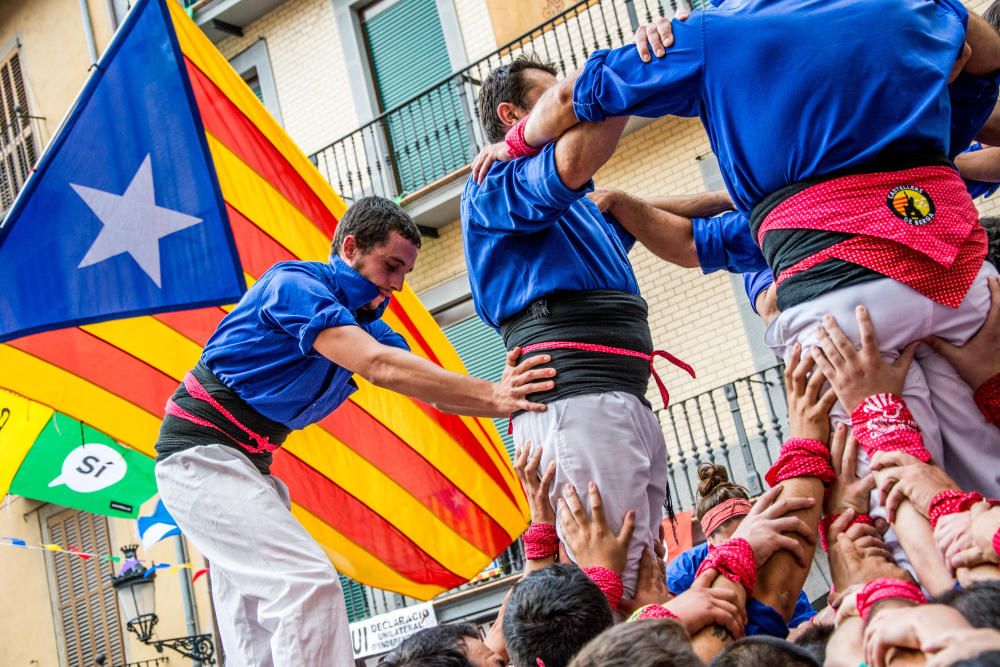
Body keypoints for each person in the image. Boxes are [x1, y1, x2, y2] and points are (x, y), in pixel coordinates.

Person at [153, 196, 556, 666]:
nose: (398, 285)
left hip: (241, 466)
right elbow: (377, 365)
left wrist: (507, 399)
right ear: (350, 248)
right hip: (200, 457)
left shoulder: (367, 326)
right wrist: (494, 395)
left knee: (255, 620)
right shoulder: (292, 285)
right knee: (305, 585)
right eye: (390, 266)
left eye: (404, 272)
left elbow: (430, 389)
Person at [462, 55, 698, 596]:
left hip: (615, 399)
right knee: (615, 583)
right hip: (575, 400)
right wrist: (629, 69)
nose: (569, 99)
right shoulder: (496, 179)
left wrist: (759, 194)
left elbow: (653, 211)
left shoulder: (579, 210)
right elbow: (582, 122)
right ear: (512, 117)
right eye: (551, 96)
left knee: (644, 576)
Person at [666, 463, 816, 631]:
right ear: (709, 541)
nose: (740, 552)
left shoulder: (769, 553)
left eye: (749, 541)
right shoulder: (679, 577)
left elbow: (802, 618)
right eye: (730, 545)